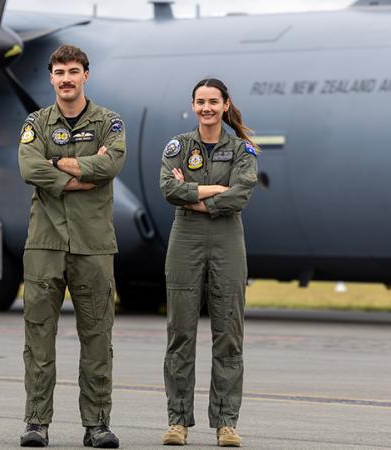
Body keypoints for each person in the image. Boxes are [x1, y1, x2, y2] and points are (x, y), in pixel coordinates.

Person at [17, 44, 126, 448]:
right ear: (51, 77)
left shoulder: (109, 123)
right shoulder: (36, 123)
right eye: (59, 71)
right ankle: (36, 422)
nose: (66, 78)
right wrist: (78, 173)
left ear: (85, 75)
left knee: (97, 337)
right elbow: (29, 166)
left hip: (94, 244)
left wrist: (56, 163)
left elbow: (110, 164)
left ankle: (97, 425)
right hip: (45, 243)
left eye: (73, 71)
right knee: (39, 336)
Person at [158, 78, 259, 447]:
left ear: (226, 104)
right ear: (193, 105)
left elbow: (240, 195)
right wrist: (216, 189)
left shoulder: (242, 150)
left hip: (227, 240)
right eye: (200, 102)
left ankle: (226, 423)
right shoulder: (178, 146)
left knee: (228, 335)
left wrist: (196, 197)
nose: (206, 108)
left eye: (213, 102)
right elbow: (168, 188)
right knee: (180, 333)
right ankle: (178, 421)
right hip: (185, 239)